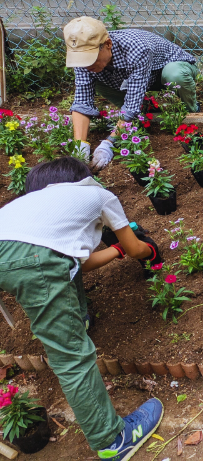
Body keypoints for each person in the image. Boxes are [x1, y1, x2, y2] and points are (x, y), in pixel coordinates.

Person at [0, 157, 164, 461]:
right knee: (71, 356)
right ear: (81, 176)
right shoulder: (96, 193)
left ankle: (79, 318)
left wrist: (113, 250)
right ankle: (113, 441)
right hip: (32, 259)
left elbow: (75, 262)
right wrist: (148, 249)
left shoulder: (27, 206)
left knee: (60, 268)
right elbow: (137, 249)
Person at [65, 16, 200, 170]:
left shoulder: (137, 48)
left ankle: (192, 111)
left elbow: (131, 105)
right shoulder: (83, 60)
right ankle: (145, 110)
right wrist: (79, 147)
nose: (86, 65)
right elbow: (82, 102)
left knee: (174, 75)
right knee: (97, 83)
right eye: (82, 60)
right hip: (133, 79)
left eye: (90, 59)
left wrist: (109, 143)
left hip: (166, 70)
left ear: (108, 44)